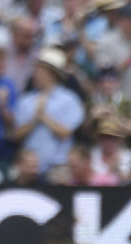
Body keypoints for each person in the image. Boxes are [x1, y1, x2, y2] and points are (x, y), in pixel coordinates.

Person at [12, 47, 86, 176]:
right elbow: (17, 135)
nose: (34, 74)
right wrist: (35, 119)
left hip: (58, 167)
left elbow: (65, 133)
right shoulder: (26, 100)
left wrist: (43, 116)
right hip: (29, 168)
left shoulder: (69, 99)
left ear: (51, 74)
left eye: (39, 70)